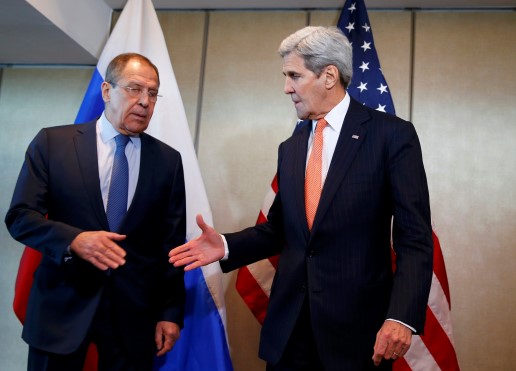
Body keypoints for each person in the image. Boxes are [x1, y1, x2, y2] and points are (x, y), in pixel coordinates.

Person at [169, 26, 433, 371]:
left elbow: (414, 238)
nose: (286, 87)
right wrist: (225, 245)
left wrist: (402, 317)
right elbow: (281, 229)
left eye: (294, 75)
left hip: (357, 335)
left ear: (328, 76)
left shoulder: (391, 135)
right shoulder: (291, 148)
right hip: (289, 333)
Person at [5, 53, 187, 371]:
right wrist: (74, 240)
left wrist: (169, 312)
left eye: (153, 93)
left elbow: (169, 245)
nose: (145, 101)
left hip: (133, 316)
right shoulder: (53, 144)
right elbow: (20, 216)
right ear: (106, 91)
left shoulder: (168, 161)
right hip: (61, 308)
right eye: (134, 89)